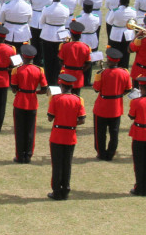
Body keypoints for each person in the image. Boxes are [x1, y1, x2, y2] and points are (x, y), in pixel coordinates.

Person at [47, 72, 85, 201]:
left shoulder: (56, 99)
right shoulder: (78, 100)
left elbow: (50, 118)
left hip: (57, 135)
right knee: (67, 164)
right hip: (70, 135)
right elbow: (82, 120)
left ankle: (56, 190)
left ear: (61, 86)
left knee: (57, 164)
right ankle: (65, 189)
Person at [92, 47, 131, 161]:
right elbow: (128, 89)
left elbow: (96, 88)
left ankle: (101, 153)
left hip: (102, 107)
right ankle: (111, 153)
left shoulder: (102, 73)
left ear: (109, 60)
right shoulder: (124, 73)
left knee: (100, 133)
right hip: (116, 107)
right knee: (114, 133)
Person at [10, 45, 47, 163]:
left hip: (20, 101)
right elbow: (45, 88)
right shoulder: (39, 70)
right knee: (31, 130)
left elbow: (14, 89)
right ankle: (29, 155)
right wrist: (35, 92)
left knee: (19, 130)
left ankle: (20, 156)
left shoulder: (17, 70)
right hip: (32, 101)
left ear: (23, 57)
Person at [59, 20, 93, 91]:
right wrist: (81, 70)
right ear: (80, 35)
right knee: (77, 96)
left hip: (66, 73)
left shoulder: (65, 46)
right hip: (78, 75)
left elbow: (61, 61)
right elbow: (88, 63)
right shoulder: (85, 47)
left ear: (71, 34)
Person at [105, 0, 136, 69]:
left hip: (116, 35)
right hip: (128, 35)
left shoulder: (115, 11)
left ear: (120, 1)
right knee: (125, 56)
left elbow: (109, 21)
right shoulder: (133, 11)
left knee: (114, 55)